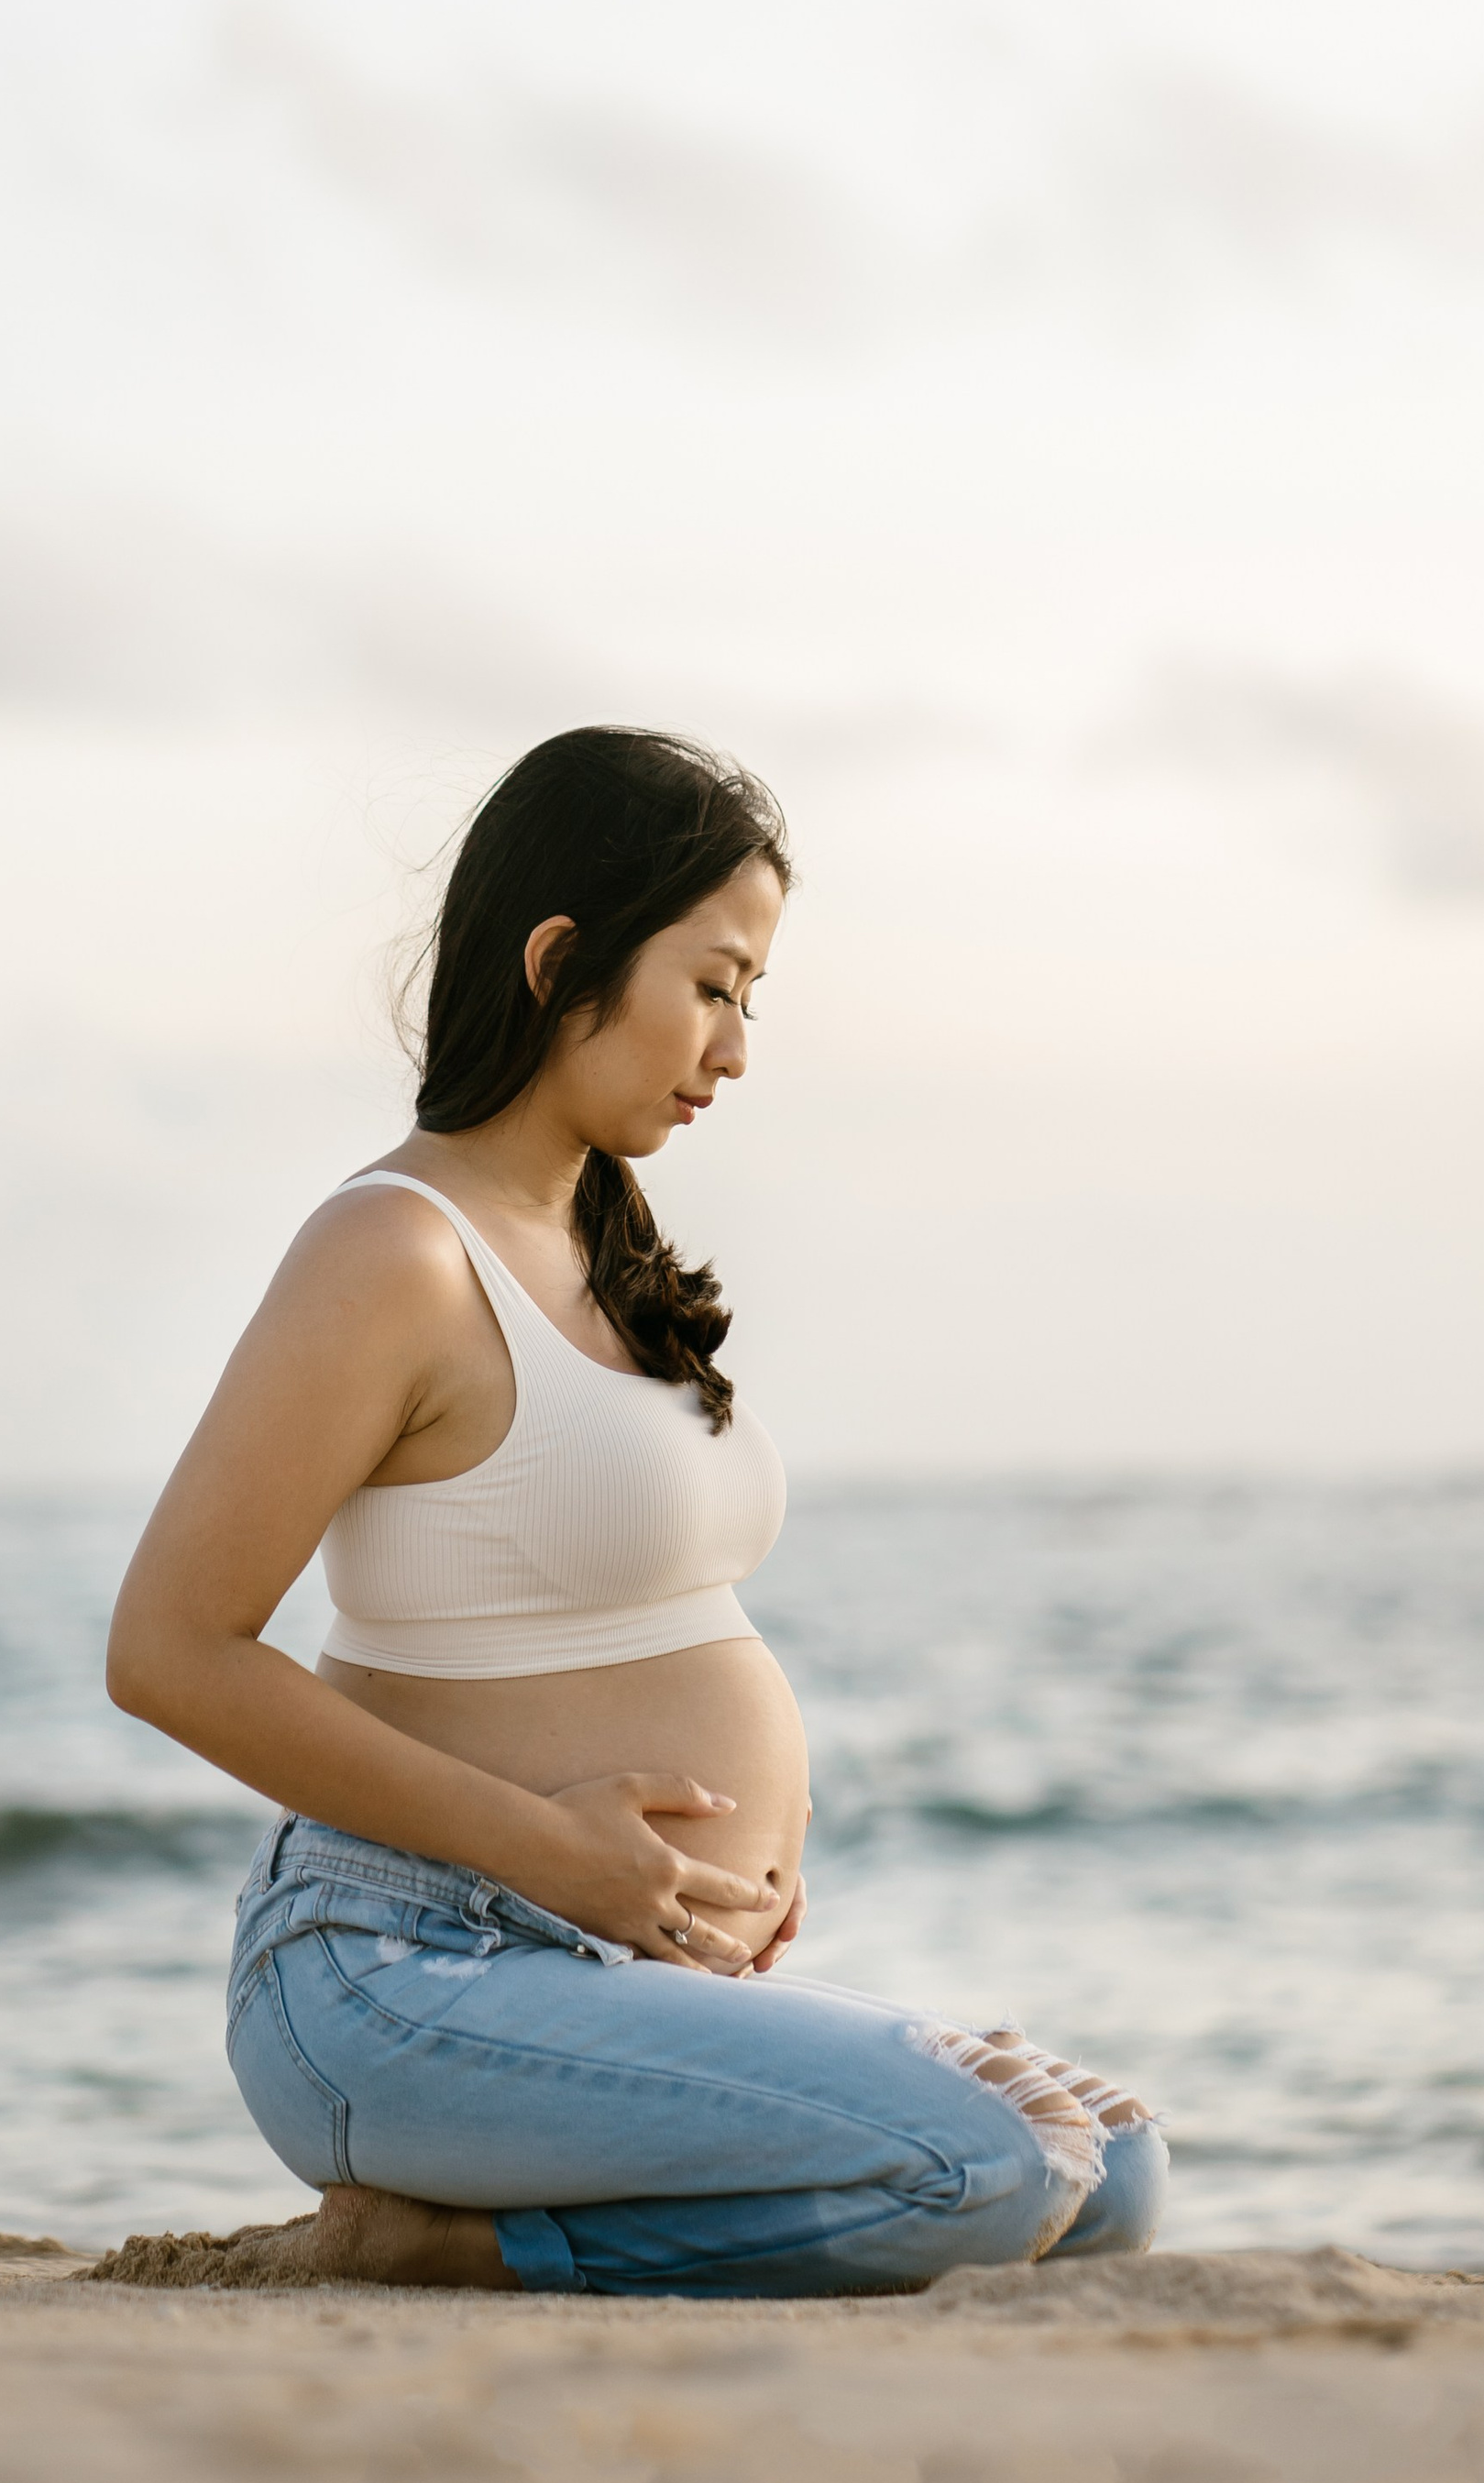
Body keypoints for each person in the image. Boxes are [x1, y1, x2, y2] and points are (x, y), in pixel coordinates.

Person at [106, 725, 1166, 2298]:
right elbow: (170, 1651)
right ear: (558, 961)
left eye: (751, 1000)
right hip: (401, 1971)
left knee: (1115, 2173)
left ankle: (504, 2224)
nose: (734, 1050)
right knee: (991, 2169)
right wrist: (555, 1852)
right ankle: (446, 2245)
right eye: (715, 984)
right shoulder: (394, 1254)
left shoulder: (601, 1246)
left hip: (601, 1958)